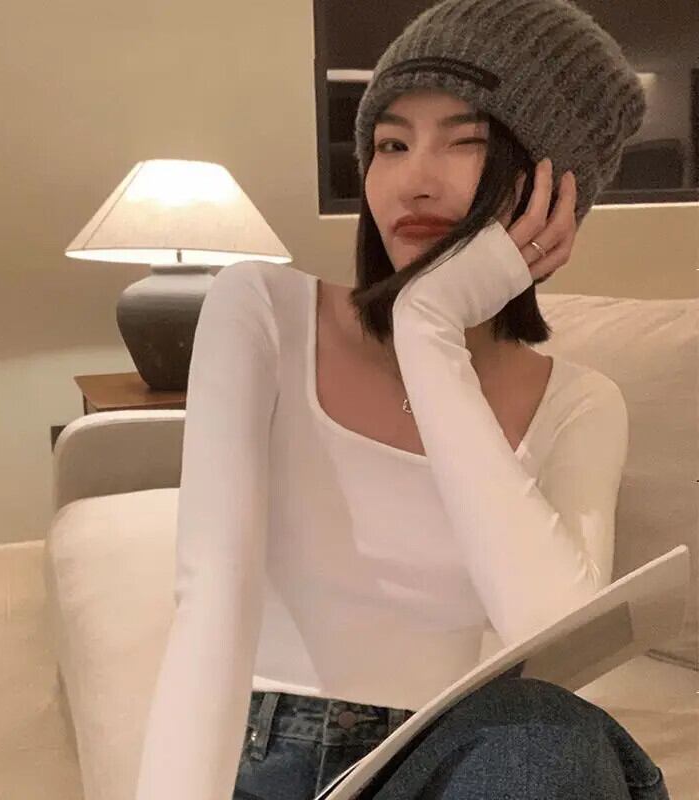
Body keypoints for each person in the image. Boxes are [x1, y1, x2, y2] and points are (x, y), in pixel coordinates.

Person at [135, 1, 668, 798]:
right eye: (391, 144)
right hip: (274, 755)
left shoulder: (581, 402)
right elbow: (211, 597)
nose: (414, 180)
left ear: (552, 191)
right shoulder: (263, 312)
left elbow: (554, 643)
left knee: (553, 737)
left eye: (466, 141)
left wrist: (429, 329)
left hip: (450, 759)